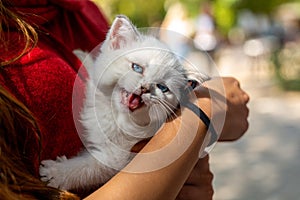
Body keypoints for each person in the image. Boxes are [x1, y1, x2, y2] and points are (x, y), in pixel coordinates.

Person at [0, 0, 249, 199]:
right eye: (138, 69)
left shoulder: (85, 11)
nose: (142, 89)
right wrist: (202, 112)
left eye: (161, 87)